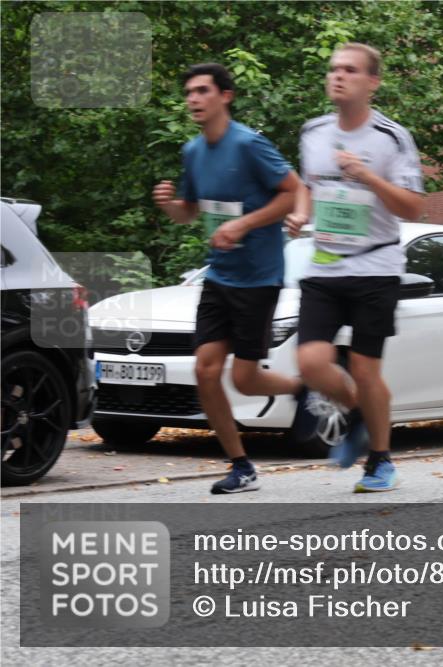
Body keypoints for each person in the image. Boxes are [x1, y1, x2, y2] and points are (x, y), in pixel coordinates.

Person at [152, 63, 310, 494]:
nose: (193, 99)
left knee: (244, 379)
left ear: (225, 96)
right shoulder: (192, 151)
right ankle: (241, 465)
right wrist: (170, 205)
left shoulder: (249, 145)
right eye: (189, 92)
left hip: (259, 278)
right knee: (206, 371)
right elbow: (191, 212)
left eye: (202, 91)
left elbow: (292, 191)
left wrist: (243, 225)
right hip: (220, 276)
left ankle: (305, 390)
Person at [286, 43, 424, 492]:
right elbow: (308, 186)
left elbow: (413, 207)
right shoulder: (313, 132)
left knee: (366, 371)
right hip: (324, 266)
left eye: (349, 70)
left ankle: (380, 462)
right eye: (332, 70)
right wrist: (301, 212)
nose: (337, 76)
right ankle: (360, 414)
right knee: (310, 362)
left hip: (376, 267)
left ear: (372, 82)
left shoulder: (391, 137)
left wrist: (367, 176)